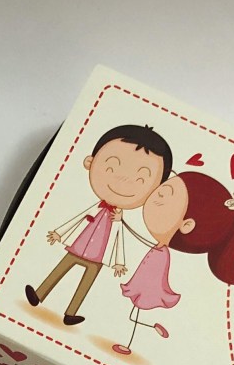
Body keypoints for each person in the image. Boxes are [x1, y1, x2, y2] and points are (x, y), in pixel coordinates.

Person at [25, 124, 172, 326]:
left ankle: (71, 313)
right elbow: (78, 219)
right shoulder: (96, 208)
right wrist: (60, 233)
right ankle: (39, 294)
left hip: (98, 256)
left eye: (140, 180)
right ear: (90, 162)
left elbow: (118, 238)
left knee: (86, 283)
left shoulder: (118, 219)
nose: (124, 181)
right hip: (78, 246)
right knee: (61, 269)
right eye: (111, 168)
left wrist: (119, 261)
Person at [114, 171, 234, 351]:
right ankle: (139, 333)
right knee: (134, 311)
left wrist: (122, 222)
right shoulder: (161, 251)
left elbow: (142, 244)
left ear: (186, 225)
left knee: (135, 311)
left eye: (162, 198)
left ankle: (131, 342)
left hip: (147, 286)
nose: (152, 196)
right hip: (144, 282)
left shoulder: (161, 254)